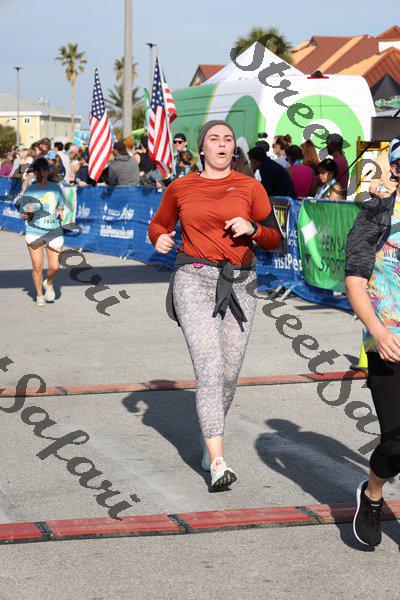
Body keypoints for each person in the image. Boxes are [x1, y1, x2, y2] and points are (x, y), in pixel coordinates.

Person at [148, 120, 281, 490]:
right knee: (209, 368)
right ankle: (219, 460)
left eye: (227, 139)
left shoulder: (250, 187)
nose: (222, 145)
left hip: (241, 281)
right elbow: (158, 224)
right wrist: (159, 238)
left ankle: (210, 437)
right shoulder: (181, 187)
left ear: (233, 148)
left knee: (229, 372)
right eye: (214, 139)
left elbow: (276, 239)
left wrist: (254, 230)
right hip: (193, 277)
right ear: (201, 148)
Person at [345, 136, 400, 547]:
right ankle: (373, 494)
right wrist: (377, 331)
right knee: (396, 443)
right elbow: (354, 279)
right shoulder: (377, 211)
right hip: (389, 339)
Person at [19, 158, 64, 306]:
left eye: (44, 170)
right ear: (35, 172)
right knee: (37, 266)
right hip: (34, 231)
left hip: (53, 231)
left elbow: (60, 205)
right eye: (38, 170)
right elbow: (24, 216)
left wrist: (60, 211)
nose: (41, 173)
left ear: (47, 171)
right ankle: (39, 295)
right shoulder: (30, 190)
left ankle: (48, 283)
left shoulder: (56, 188)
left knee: (55, 267)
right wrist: (28, 212)